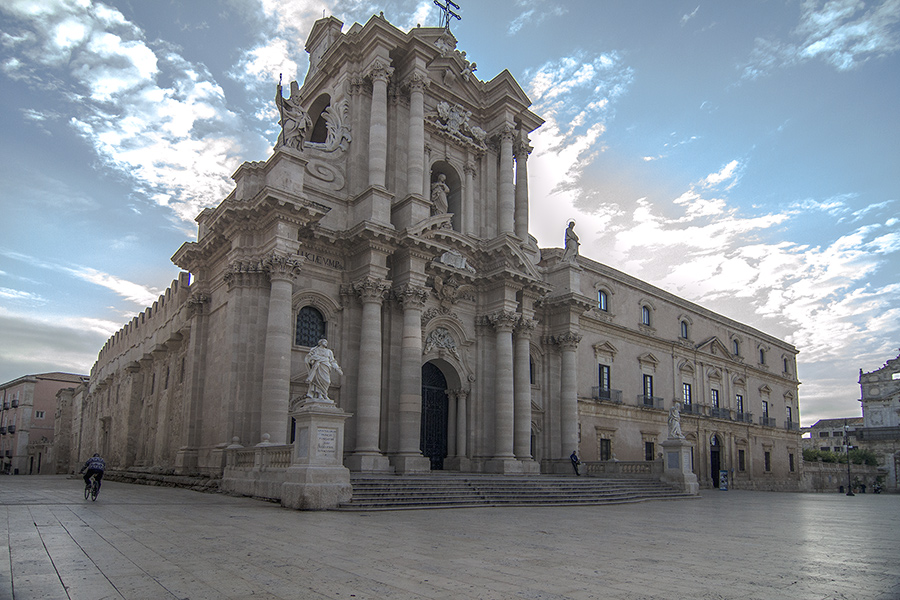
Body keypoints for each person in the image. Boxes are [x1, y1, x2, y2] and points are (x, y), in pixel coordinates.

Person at [275, 78, 312, 150]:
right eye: (296, 97)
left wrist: (304, 119)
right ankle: (281, 146)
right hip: (291, 121)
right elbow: (279, 102)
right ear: (292, 97)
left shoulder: (301, 109)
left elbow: (308, 121)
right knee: (283, 137)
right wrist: (279, 92)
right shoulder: (288, 103)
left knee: (295, 139)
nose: (297, 99)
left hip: (298, 124)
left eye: (298, 97)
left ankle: (291, 147)